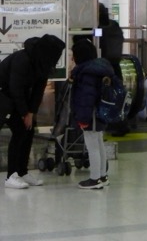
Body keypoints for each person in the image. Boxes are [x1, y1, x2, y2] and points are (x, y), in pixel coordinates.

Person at [0, 34, 65, 189]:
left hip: (17, 98)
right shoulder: (22, 60)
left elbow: (38, 90)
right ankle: (11, 176)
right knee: (20, 131)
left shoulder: (42, 63)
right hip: (4, 96)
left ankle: (22, 172)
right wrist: (24, 113)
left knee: (28, 131)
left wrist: (31, 112)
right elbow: (15, 89)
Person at [70, 39, 116, 190]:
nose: (72, 58)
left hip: (91, 114)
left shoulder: (87, 73)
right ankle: (102, 176)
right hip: (100, 112)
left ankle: (95, 179)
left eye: (73, 55)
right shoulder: (99, 69)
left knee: (92, 145)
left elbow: (86, 98)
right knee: (99, 143)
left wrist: (83, 118)